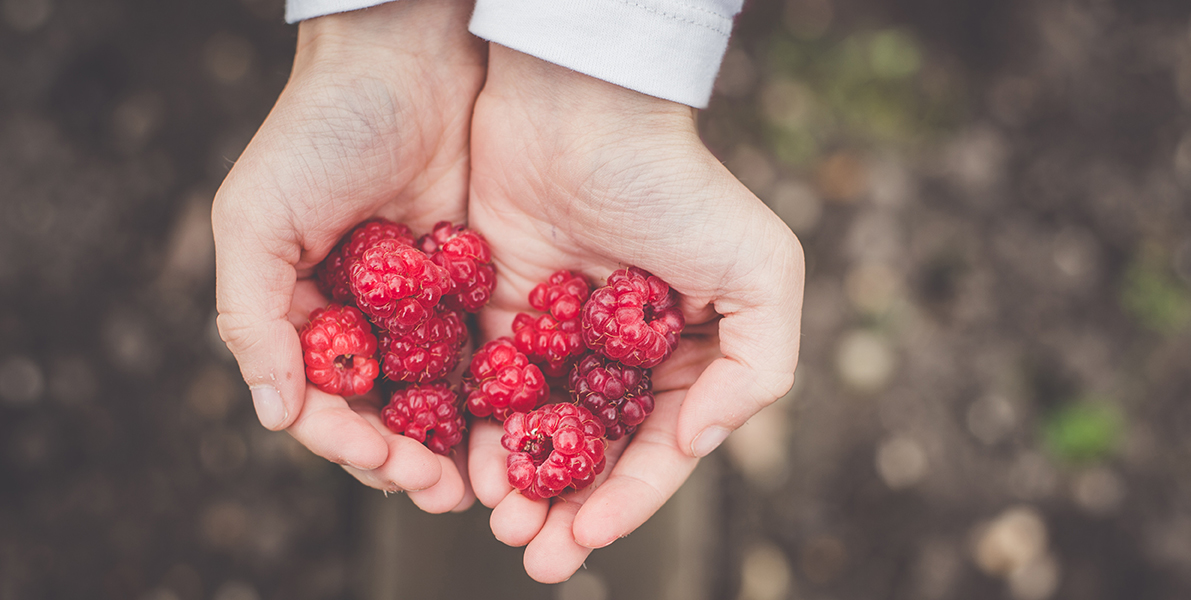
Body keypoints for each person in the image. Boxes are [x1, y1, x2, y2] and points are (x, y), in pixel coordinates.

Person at [211, 0, 805, 583]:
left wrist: (376, 34)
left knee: (441, 476)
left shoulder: (513, 342)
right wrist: (377, 39)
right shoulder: (424, 322)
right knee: (432, 471)